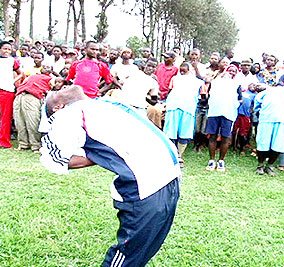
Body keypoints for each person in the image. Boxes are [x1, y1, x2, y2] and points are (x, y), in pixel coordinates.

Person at [40, 85, 180, 267]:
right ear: (58, 107)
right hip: (146, 187)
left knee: (142, 251)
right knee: (127, 255)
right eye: (54, 93)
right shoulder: (67, 114)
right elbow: (56, 158)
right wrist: (97, 156)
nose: (62, 86)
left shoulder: (105, 101)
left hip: (169, 179)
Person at [164, 63, 204, 167]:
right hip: (173, 107)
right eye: (181, 70)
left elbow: (203, 96)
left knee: (184, 133)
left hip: (188, 109)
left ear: (192, 70)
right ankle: (170, 156)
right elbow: (170, 91)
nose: (183, 72)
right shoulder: (175, 79)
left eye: (185, 70)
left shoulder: (199, 82)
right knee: (170, 133)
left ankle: (179, 156)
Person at [205, 65, 242, 172]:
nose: (230, 73)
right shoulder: (215, 82)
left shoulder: (236, 84)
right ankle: (212, 160)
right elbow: (209, 95)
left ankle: (221, 161)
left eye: (234, 71)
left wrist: (232, 105)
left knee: (226, 137)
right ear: (224, 71)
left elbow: (240, 99)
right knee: (212, 136)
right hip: (214, 112)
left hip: (228, 113)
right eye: (229, 70)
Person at [254, 84, 284, 175]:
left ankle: (265, 166)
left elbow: (257, 102)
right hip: (270, 119)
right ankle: (264, 166)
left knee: (273, 144)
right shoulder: (268, 91)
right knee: (268, 143)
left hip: (277, 120)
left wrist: (259, 110)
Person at [13, 65, 53, 152]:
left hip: (33, 97)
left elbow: (52, 88)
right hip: (20, 95)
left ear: (51, 71)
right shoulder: (32, 75)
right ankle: (23, 144)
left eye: (48, 67)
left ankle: (36, 145)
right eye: (44, 66)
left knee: (33, 121)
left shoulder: (50, 79)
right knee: (19, 121)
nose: (45, 67)